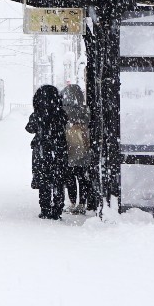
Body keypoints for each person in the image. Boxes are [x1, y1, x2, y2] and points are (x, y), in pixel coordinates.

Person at [26, 84, 69, 220]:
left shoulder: (37, 114)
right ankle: (57, 210)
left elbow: (29, 128)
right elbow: (65, 123)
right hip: (59, 150)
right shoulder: (61, 113)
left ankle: (45, 209)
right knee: (58, 180)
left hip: (42, 151)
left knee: (44, 181)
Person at [61, 83, 96, 213]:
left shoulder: (64, 110)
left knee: (70, 178)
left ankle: (72, 202)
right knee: (82, 178)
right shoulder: (85, 110)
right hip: (83, 146)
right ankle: (82, 203)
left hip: (69, 147)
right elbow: (88, 123)